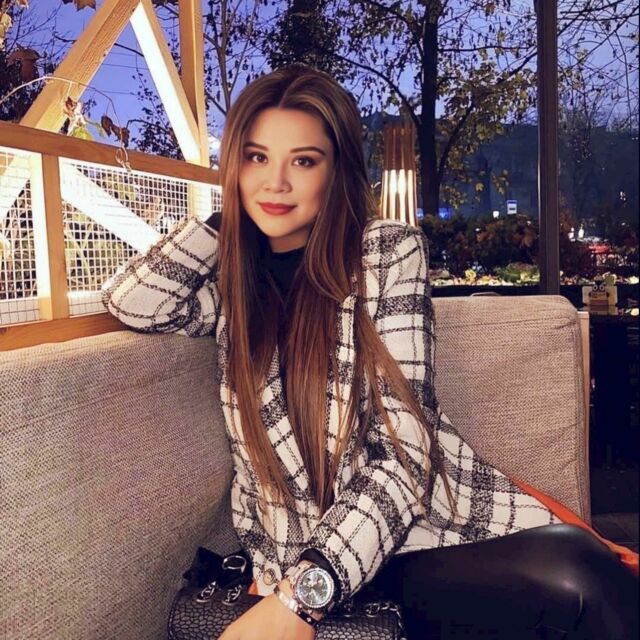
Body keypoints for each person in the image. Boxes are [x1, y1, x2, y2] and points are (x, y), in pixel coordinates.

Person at [101, 65, 638, 640]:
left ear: (336, 172)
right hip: (296, 550)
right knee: (579, 579)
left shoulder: (384, 254)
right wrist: (226, 217)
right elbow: (133, 302)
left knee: (581, 574)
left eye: (303, 161)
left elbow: (405, 457)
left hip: (409, 536)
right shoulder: (232, 286)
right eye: (256, 158)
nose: (275, 183)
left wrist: (301, 599)